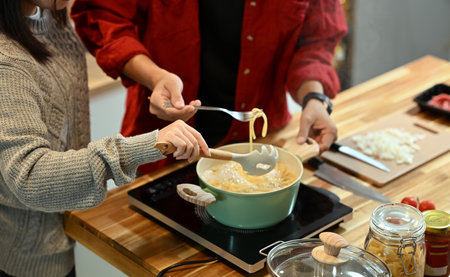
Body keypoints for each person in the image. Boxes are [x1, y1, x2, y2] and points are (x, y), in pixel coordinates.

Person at [0, 1, 210, 277]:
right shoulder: (7, 61)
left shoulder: (50, 20)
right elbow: (31, 177)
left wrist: (156, 77)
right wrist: (148, 144)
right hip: (23, 260)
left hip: (58, 235)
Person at [71, 0, 348, 174]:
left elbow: (316, 39)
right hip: (162, 148)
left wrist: (314, 98)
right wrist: (155, 77)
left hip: (262, 143)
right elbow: (104, 15)